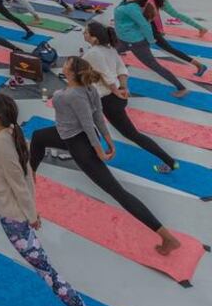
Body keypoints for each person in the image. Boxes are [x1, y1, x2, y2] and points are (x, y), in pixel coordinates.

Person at [0, 94, 103, 306]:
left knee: (46, 271)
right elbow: (25, 172)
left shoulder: (1, 145)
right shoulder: (8, 131)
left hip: (11, 212)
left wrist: (31, 217)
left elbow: (21, 184)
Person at [30, 56, 181, 256]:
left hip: (78, 144)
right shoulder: (90, 89)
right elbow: (97, 116)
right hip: (70, 135)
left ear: (72, 73)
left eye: (66, 64)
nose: (63, 63)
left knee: (117, 192)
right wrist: (108, 139)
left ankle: (167, 237)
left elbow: (86, 121)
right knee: (38, 137)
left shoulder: (64, 95)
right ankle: (30, 173)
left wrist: (99, 149)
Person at [84, 21, 180, 173]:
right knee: (129, 133)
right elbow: (122, 70)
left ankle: (170, 161)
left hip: (107, 100)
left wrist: (116, 90)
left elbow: (107, 76)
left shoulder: (93, 53)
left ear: (94, 38)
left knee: (132, 134)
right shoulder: (109, 50)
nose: (84, 34)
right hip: (116, 99)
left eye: (86, 32)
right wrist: (123, 88)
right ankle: (169, 161)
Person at [114, 0, 188, 97]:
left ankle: (181, 88)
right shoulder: (126, 3)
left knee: (154, 65)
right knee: (107, 52)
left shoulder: (132, 8)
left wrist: (150, 40)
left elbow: (144, 25)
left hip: (135, 42)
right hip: (123, 40)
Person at [142, 0, 207, 76]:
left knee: (168, 48)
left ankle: (198, 65)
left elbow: (154, 16)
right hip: (149, 28)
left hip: (151, 29)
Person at [141, 0, 207, 38]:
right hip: (158, 1)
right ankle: (201, 28)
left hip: (161, 2)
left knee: (176, 15)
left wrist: (160, 30)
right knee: (172, 15)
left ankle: (201, 28)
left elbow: (156, 16)